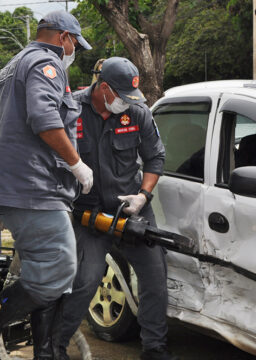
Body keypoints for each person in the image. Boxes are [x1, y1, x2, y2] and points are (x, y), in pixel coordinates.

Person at [59, 57, 178, 360]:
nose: (127, 103)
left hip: (131, 211)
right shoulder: (70, 109)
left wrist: (143, 196)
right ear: (105, 89)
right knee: (85, 281)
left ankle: (154, 349)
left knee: (154, 277)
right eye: (122, 97)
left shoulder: (137, 113)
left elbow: (155, 160)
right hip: (89, 215)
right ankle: (55, 347)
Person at [0, 10, 93, 360]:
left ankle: (45, 353)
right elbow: (43, 118)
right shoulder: (44, 64)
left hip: (17, 183)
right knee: (59, 267)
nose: (74, 53)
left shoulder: (13, 64)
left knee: (42, 270)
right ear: (63, 37)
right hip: (33, 185)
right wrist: (77, 165)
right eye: (75, 46)